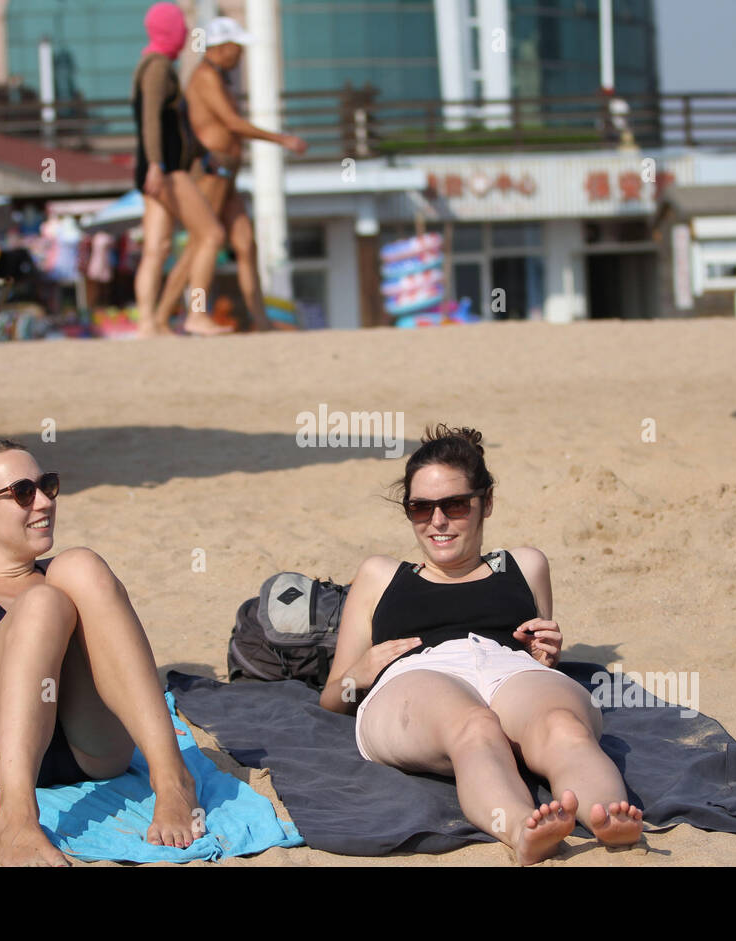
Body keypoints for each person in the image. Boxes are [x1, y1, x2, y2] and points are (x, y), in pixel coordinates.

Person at [318, 425, 645, 865]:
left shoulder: (526, 565)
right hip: (418, 675)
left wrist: (546, 655)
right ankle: (519, 829)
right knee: (475, 727)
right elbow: (332, 697)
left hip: (508, 668)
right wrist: (358, 674)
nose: (437, 521)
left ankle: (606, 814)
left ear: (485, 503)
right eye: (420, 508)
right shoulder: (379, 575)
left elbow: (541, 653)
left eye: (454, 505)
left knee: (563, 726)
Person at [0, 439, 201, 866]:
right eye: (22, 492)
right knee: (42, 603)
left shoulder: (71, 577)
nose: (42, 502)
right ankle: (17, 819)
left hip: (94, 750)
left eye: (48, 485)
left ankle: (173, 779)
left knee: (79, 563)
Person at [152, 16, 308, 332]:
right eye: (237, 48)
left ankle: (260, 320)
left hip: (228, 172)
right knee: (202, 243)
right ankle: (169, 314)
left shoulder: (221, 78)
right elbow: (232, 124)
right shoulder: (205, 77)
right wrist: (282, 139)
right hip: (211, 171)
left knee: (245, 243)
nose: (240, 55)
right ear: (221, 48)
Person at [131, 1, 229, 337]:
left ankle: (149, 323)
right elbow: (152, 121)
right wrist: (158, 165)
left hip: (152, 169)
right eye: (181, 26)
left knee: (156, 248)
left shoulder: (151, 64)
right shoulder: (158, 67)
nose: (186, 33)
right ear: (169, 30)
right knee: (210, 235)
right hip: (167, 171)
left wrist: (202, 153)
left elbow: (177, 126)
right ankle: (197, 314)